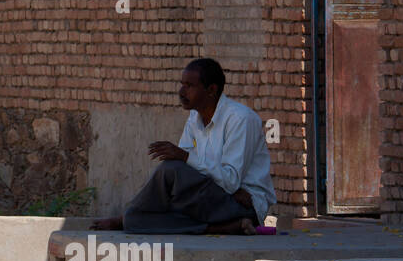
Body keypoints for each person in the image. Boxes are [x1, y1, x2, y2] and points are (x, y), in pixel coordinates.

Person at [91, 58, 276, 235]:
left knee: (170, 170)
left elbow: (229, 182)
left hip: (241, 206)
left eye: (190, 86)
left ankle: (231, 223)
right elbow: (190, 174)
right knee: (135, 221)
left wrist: (185, 157)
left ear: (211, 90)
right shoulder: (194, 119)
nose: (181, 92)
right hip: (209, 197)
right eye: (182, 84)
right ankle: (222, 228)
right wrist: (186, 166)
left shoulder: (240, 119)